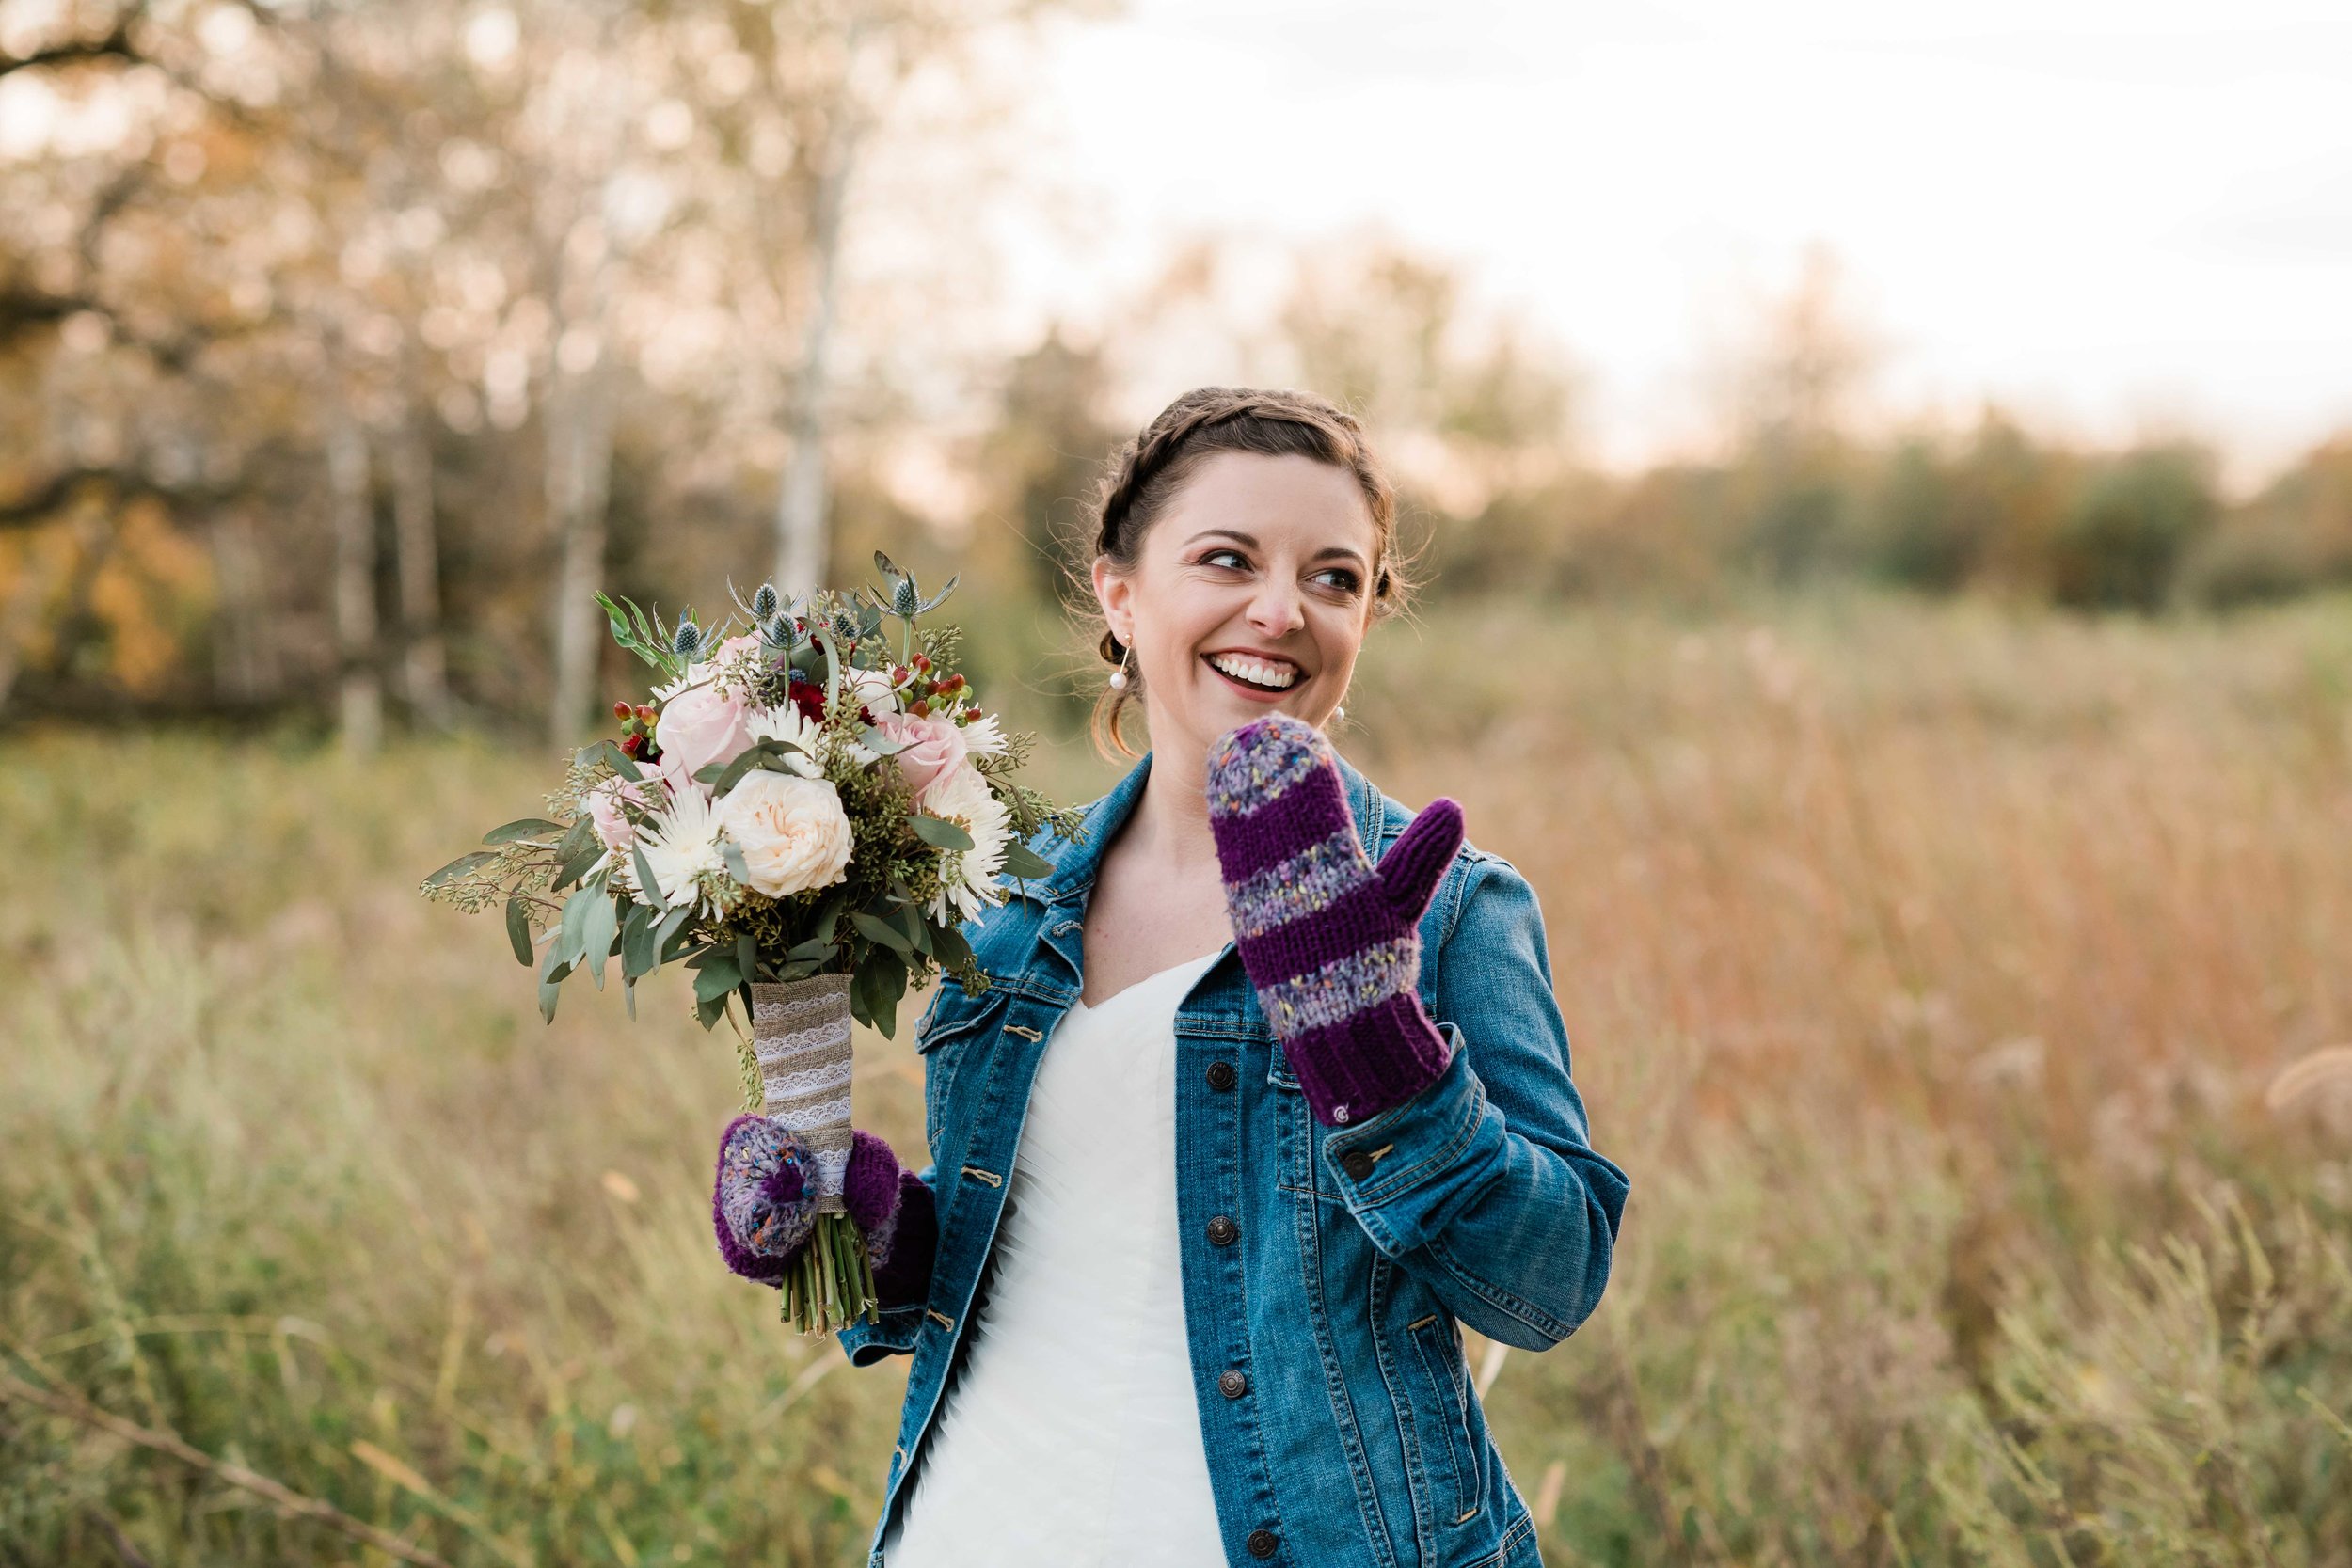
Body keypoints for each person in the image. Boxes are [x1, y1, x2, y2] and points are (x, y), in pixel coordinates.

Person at [713, 386, 1629, 1568]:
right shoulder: (1006, 896)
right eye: (1227, 558)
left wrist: (1379, 1064)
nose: (1281, 609)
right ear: (1120, 592)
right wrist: (864, 1225)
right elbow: (1030, 1247)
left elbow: (1546, 1282)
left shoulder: (1448, 904)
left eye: (1335, 576)